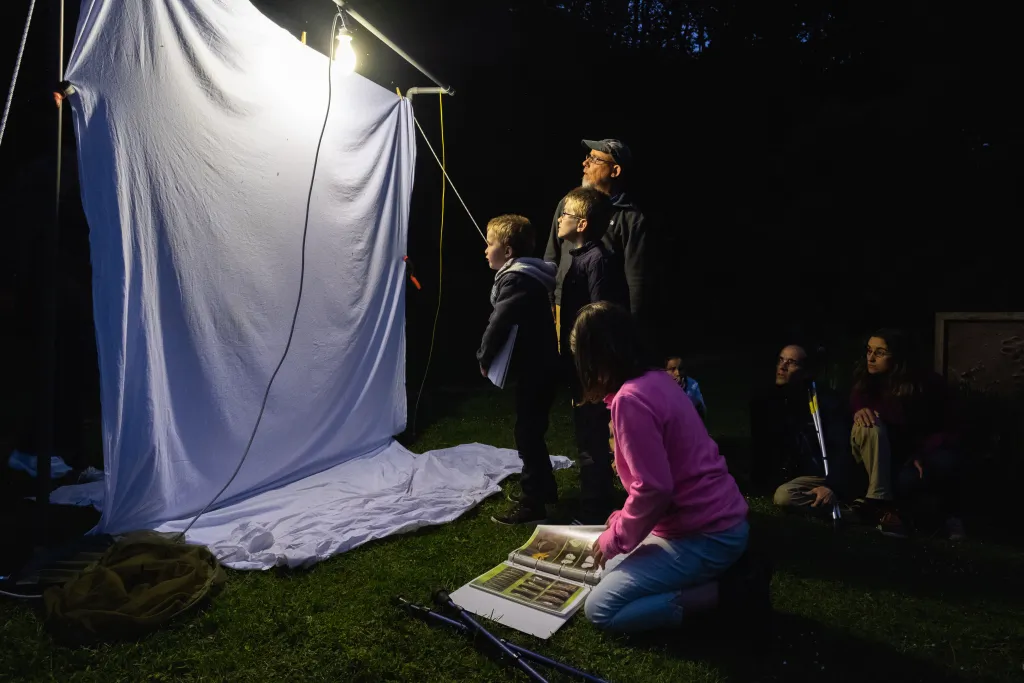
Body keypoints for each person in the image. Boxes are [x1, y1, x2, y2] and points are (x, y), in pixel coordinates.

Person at [570, 302, 764, 634]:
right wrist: (620, 524)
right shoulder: (656, 380)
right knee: (608, 566)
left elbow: (654, 489)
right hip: (710, 524)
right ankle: (723, 573)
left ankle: (731, 592)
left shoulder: (631, 400)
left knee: (601, 608)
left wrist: (616, 537)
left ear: (598, 356)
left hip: (707, 535)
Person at [477, 215, 560, 525]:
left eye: (491, 244)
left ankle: (533, 502)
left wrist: (484, 357)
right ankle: (545, 489)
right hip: (539, 366)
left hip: (537, 368)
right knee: (531, 430)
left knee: (527, 434)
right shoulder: (525, 276)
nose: (486, 250)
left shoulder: (517, 279)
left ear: (508, 251)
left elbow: (500, 320)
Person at [556, 187, 629, 524]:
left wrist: (594, 376)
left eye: (566, 215)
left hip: (592, 371)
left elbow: (599, 319)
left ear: (582, 224)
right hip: (579, 367)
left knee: (593, 440)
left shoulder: (596, 260)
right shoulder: (577, 257)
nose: (559, 219)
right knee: (587, 437)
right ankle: (595, 506)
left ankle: (595, 513)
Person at [849, 329, 965, 540]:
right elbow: (858, 405)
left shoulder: (926, 384)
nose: (871, 358)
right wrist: (860, 410)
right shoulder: (866, 382)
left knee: (926, 472)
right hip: (885, 454)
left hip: (919, 451)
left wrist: (921, 453)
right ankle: (881, 505)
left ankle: (940, 518)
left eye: (880, 352)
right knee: (870, 428)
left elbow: (949, 426)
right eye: (869, 351)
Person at [544, 139, 648, 345]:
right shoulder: (569, 202)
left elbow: (636, 278)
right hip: (563, 304)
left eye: (594, 159)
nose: (585, 163)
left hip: (603, 315)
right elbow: (551, 255)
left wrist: (632, 325)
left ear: (615, 171)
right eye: (587, 157)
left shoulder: (630, 217)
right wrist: (549, 299)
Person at [749, 344, 850, 512]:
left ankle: (841, 503)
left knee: (784, 497)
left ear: (806, 372)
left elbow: (840, 447)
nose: (783, 366)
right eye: (781, 360)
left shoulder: (825, 401)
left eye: (791, 362)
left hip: (822, 472)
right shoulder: (769, 400)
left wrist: (833, 485)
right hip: (794, 474)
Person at [666, 356, 707, 421]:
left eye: (680, 369)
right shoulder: (660, 388)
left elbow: (702, 412)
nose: (677, 373)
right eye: (673, 369)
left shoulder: (693, 386)